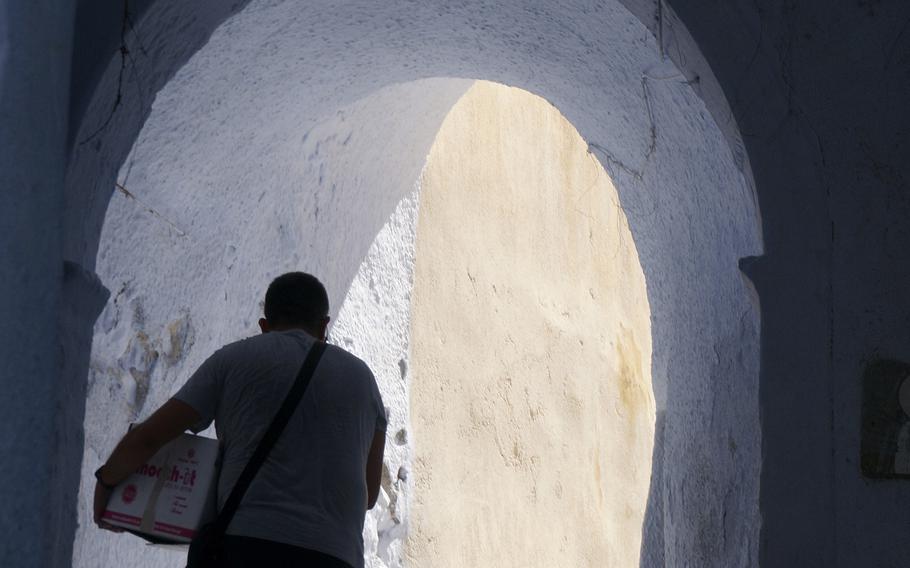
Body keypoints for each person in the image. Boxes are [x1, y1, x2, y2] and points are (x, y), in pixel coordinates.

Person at [93, 272, 387, 568]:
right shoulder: (365, 383)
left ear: (264, 325)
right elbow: (370, 493)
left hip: (245, 547)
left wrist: (106, 484)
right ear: (324, 325)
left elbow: (149, 438)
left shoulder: (233, 359)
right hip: (337, 556)